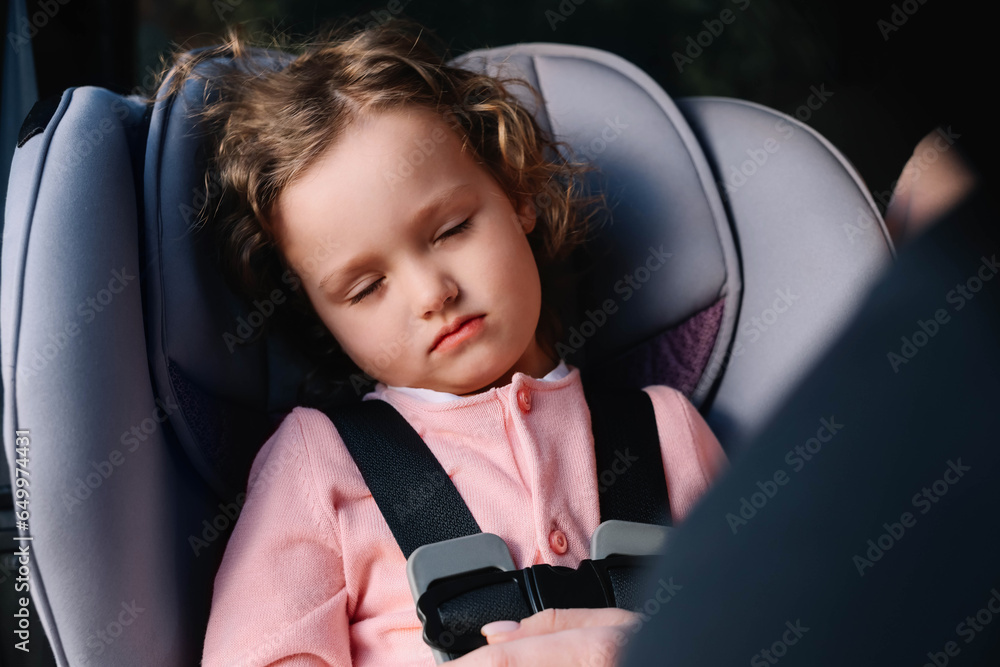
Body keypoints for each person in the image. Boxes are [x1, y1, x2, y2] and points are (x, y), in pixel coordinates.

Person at [166, 18, 727, 667]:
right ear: (322, 317)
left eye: (452, 228)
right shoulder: (318, 463)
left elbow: (786, 615)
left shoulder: (664, 433)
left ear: (516, 192)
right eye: (366, 286)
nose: (431, 293)